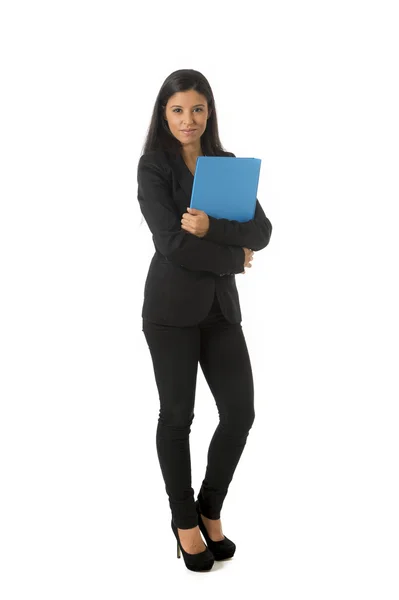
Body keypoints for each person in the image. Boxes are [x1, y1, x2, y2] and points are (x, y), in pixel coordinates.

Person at [137, 69, 272, 572]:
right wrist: (233, 257)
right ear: (164, 115)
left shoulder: (226, 165)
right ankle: (183, 520)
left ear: (208, 111)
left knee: (240, 413)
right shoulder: (154, 166)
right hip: (170, 311)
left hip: (220, 311)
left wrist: (214, 227)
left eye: (196, 108)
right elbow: (170, 244)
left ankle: (209, 508)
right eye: (177, 110)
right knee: (177, 417)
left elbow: (260, 231)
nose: (188, 119)